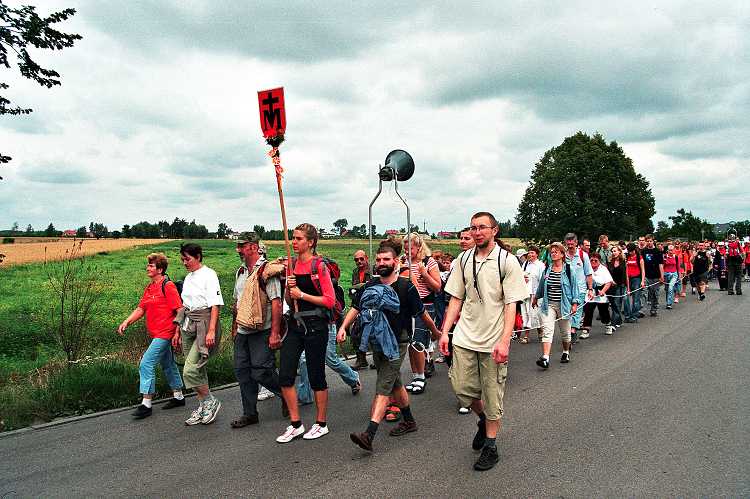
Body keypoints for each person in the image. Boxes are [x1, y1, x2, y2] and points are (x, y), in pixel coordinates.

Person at [439, 212, 528, 471]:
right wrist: (445, 332)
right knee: (461, 388)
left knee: (492, 395)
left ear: (494, 231)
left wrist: (505, 341)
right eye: (473, 228)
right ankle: (482, 420)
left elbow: (511, 304)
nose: (477, 232)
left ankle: (491, 446)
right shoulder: (464, 259)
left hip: (493, 338)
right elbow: (456, 297)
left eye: (482, 228)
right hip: (466, 335)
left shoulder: (506, 261)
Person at [340, 238, 440, 452]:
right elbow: (356, 307)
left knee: (383, 385)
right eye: (378, 259)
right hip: (377, 341)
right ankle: (409, 421)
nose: (381, 262)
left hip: (398, 341)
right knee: (394, 382)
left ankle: (369, 434)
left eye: (386, 259)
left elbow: (422, 313)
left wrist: (436, 333)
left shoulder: (406, 287)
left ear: (395, 262)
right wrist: (343, 327)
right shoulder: (371, 285)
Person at [275, 223, 337, 443]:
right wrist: (288, 289)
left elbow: (330, 300)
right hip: (295, 323)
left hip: (316, 324)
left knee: (316, 375)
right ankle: (296, 424)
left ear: (310, 242)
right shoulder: (291, 265)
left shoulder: (319, 266)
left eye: (299, 238)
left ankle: (321, 424)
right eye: (293, 237)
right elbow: (288, 300)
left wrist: (301, 295)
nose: (294, 242)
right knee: (285, 375)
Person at [117, 253, 185, 419]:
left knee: (146, 363)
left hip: (165, 332)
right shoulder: (150, 288)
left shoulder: (167, 286)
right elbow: (141, 308)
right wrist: (127, 321)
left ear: (160, 269)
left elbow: (180, 310)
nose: (148, 268)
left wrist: (177, 332)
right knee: (168, 363)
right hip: (156, 333)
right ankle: (178, 396)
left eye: (151, 266)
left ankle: (146, 403)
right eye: (148, 265)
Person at [229, 232, 286, 428]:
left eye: (241, 246)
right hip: (243, 332)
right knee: (243, 372)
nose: (238, 250)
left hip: (262, 331)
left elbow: (276, 304)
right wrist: (234, 327)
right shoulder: (241, 272)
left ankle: (287, 394)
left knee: (262, 372)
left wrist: (275, 333)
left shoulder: (267, 271)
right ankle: (250, 413)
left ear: (253, 247)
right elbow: (237, 303)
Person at [175, 243, 223, 425]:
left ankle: (211, 401)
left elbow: (215, 305)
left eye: (187, 258)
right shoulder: (188, 278)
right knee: (197, 368)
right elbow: (184, 305)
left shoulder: (209, 275)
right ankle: (203, 405)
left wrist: (211, 330)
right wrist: (177, 331)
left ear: (198, 257)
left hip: (204, 324)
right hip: (188, 324)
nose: (185, 262)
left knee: (190, 369)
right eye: (183, 259)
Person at [400, 233, 441, 394]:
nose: (407, 251)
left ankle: (421, 377)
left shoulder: (428, 262)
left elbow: (437, 287)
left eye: (410, 248)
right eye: (405, 248)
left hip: (425, 305)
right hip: (407, 307)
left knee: (418, 342)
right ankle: (416, 375)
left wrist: (423, 273)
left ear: (419, 247)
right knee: (410, 342)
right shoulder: (403, 261)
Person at [533, 242, 579, 367]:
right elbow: (542, 285)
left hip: (564, 305)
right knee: (547, 330)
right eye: (551, 252)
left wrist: (574, 304)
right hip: (549, 305)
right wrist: (536, 297)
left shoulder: (569, 270)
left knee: (565, 333)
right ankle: (545, 358)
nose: (553, 254)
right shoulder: (547, 269)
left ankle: (565, 351)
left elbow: (575, 289)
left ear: (562, 254)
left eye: (556, 252)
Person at [564, 233, 593, 340]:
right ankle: (570, 330)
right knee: (567, 311)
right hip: (566, 290)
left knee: (577, 311)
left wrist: (590, 289)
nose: (570, 246)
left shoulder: (583, 255)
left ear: (576, 243)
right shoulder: (563, 256)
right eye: (568, 244)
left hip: (580, 289)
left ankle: (573, 331)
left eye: (572, 244)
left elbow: (588, 273)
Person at [348, 250, 372, 370]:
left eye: (361, 259)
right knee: (355, 332)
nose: (359, 262)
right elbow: (354, 290)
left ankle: (380, 359)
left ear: (366, 258)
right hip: (358, 306)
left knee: (376, 334)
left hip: (372, 306)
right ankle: (361, 359)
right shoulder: (355, 272)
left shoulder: (373, 270)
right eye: (356, 260)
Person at [581, 253, 614, 336]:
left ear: (599, 261)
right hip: (590, 291)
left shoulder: (603, 269)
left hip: (601, 291)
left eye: (596, 260)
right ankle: (586, 329)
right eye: (591, 260)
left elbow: (608, 282)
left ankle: (608, 324)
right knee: (588, 310)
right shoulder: (586, 268)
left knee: (603, 311)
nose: (593, 262)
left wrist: (603, 291)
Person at [519, 245, 545, 343]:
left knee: (534, 314)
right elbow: (520, 275)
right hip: (525, 293)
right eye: (529, 252)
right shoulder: (525, 264)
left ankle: (539, 331)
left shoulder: (540, 265)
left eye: (532, 253)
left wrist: (539, 294)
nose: (530, 255)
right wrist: (523, 278)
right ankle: (527, 335)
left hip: (535, 294)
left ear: (537, 254)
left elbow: (542, 280)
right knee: (525, 313)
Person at [641, 235, 664, 317]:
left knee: (655, 294)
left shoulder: (658, 251)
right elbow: (641, 263)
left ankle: (654, 309)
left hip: (656, 276)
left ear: (653, 241)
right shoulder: (644, 251)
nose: (649, 242)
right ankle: (642, 310)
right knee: (644, 292)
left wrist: (662, 276)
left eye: (650, 241)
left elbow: (660, 264)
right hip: (646, 275)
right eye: (648, 241)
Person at [624, 242, 645, 323]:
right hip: (628, 278)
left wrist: (642, 281)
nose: (630, 252)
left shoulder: (639, 258)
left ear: (635, 250)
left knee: (636, 299)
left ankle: (634, 315)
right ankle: (627, 315)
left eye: (632, 251)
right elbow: (626, 269)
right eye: (629, 251)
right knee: (626, 298)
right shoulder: (627, 257)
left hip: (637, 279)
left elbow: (643, 270)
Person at [607, 245, 628, 328]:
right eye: (612, 251)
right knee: (614, 304)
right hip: (612, 286)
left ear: (619, 252)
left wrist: (628, 287)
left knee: (617, 303)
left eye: (615, 251)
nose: (613, 253)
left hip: (621, 285)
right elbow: (608, 274)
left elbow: (626, 275)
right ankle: (619, 320)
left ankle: (613, 323)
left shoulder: (623, 262)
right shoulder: (610, 262)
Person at [663, 245, 682, 310]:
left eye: (672, 250)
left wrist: (679, 276)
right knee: (666, 289)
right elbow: (662, 266)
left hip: (674, 274)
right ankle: (668, 301)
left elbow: (678, 267)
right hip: (666, 274)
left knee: (671, 287)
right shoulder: (664, 257)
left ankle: (669, 303)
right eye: (669, 250)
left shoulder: (676, 257)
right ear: (667, 250)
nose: (671, 251)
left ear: (674, 250)